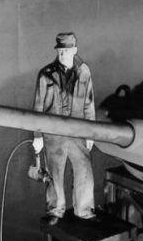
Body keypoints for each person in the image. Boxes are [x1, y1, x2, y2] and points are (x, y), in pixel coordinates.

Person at [32, 31, 96, 224]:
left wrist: (91, 132)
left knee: (84, 171)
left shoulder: (84, 71)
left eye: (66, 51)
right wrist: (37, 136)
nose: (63, 55)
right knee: (54, 172)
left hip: (78, 131)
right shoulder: (46, 74)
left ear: (74, 50)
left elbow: (89, 102)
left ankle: (85, 211)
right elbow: (38, 106)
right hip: (54, 132)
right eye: (60, 51)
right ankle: (55, 210)